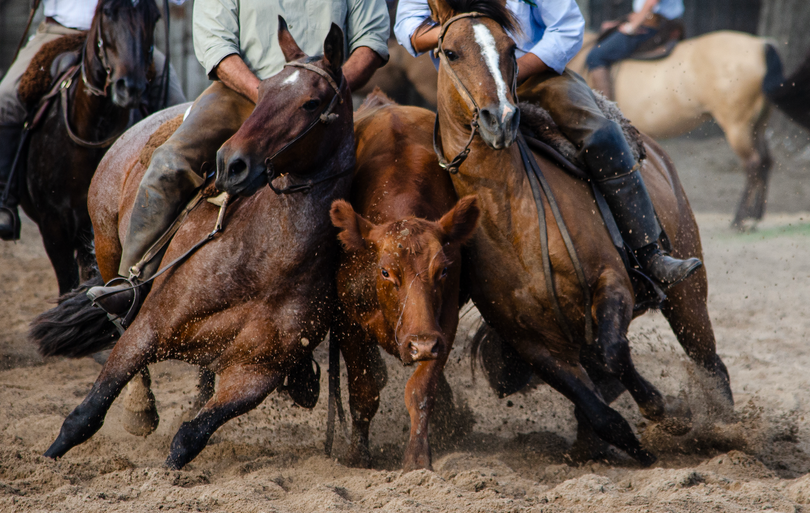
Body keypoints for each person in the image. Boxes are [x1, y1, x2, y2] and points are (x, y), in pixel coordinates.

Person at [87, 0, 390, 313]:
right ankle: (132, 280)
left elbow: (371, 41)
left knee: (384, 170)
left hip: (321, 104)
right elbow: (215, 42)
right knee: (170, 162)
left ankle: (380, 298)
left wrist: (321, 87)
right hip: (244, 93)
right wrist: (268, 94)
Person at [395, 0, 701, 289]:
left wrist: (511, 71)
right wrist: (464, 36)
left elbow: (567, 28)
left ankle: (649, 252)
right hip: (465, 85)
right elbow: (407, 25)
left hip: (534, 72)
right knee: (420, 154)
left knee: (601, 133)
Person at [0, 0, 186, 240]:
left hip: (123, 34)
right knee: (5, 99)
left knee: (177, 103)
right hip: (63, 32)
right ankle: (5, 197)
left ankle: (179, 199)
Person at [586, 0, 685, 99]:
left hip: (655, 26)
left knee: (595, 56)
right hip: (657, 22)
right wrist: (620, 22)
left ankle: (606, 111)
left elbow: (651, 2)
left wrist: (632, 27)